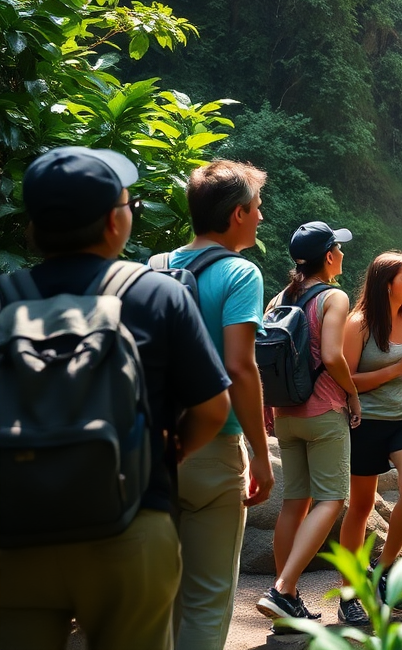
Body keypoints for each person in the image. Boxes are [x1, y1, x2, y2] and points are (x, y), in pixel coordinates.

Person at [0, 146, 231, 650]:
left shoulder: (5, 297)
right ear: (112, 222)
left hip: (15, 531)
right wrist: (164, 454)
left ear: (34, 227)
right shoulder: (155, 293)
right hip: (130, 522)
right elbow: (214, 408)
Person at [165, 160, 274, 650]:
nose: (261, 218)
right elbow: (240, 368)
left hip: (161, 446)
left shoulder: (156, 266)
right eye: (256, 209)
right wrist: (261, 454)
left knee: (160, 596)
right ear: (236, 215)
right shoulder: (240, 273)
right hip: (215, 446)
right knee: (208, 599)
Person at [256, 222, 363, 624]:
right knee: (332, 499)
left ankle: (287, 606)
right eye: (338, 249)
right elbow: (333, 356)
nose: (341, 255)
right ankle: (283, 589)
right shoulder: (334, 297)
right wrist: (352, 394)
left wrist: (269, 405)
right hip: (323, 412)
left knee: (294, 503)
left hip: (285, 413)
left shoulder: (278, 298)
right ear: (330, 255)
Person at [339, 251, 402, 610]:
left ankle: (384, 568)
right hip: (366, 422)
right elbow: (347, 381)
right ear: (387, 284)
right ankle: (349, 590)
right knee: (361, 506)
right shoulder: (359, 323)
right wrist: (397, 368)